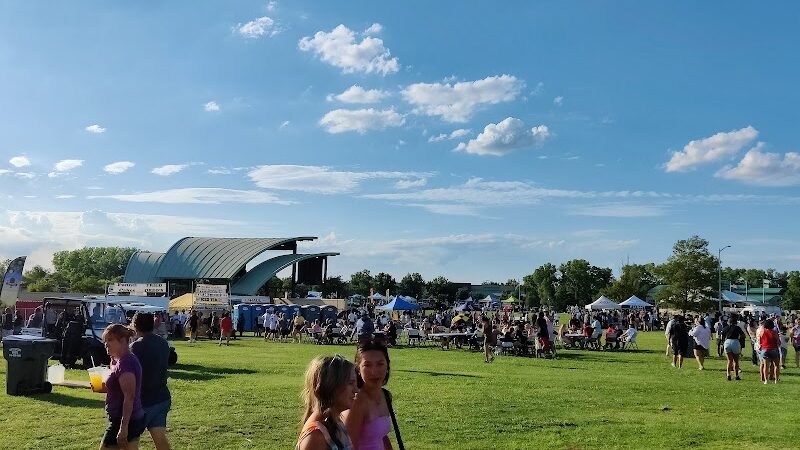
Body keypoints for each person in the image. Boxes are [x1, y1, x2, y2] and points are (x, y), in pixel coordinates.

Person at [296, 355, 358, 450]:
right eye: (350, 383)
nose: (356, 390)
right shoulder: (316, 437)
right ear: (331, 387)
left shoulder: (336, 421)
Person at [100, 324, 146, 450]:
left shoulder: (126, 363)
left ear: (122, 341)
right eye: (105, 341)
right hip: (128, 419)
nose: (106, 345)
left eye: (110, 340)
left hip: (125, 420)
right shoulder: (122, 360)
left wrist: (123, 428)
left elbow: (129, 397)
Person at [130, 313, 172, 450]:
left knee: (131, 440)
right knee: (159, 438)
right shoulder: (163, 343)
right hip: (162, 396)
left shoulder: (136, 346)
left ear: (135, 325)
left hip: (144, 400)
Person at [345, 340, 395, 450]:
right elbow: (349, 446)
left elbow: (381, 436)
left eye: (380, 364)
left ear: (387, 365)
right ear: (358, 369)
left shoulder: (385, 395)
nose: (374, 371)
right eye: (367, 365)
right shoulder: (357, 402)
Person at [721, 315, 746, 381]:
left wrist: (723, 342)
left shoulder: (726, 328)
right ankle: (736, 375)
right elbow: (743, 335)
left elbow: (722, 336)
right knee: (736, 361)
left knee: (729, 360)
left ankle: (728, 375)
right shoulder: (737, 328)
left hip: (727, 342)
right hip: (735, 342)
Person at [760, 319, 781, 384]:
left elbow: (760, 341)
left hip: (765, 349)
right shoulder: (774, 332)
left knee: (766, 366)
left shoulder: (762, 332)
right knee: (776, 365)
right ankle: (776, 380)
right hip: (773, 349)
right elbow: (778, 342)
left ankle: (766, 380)